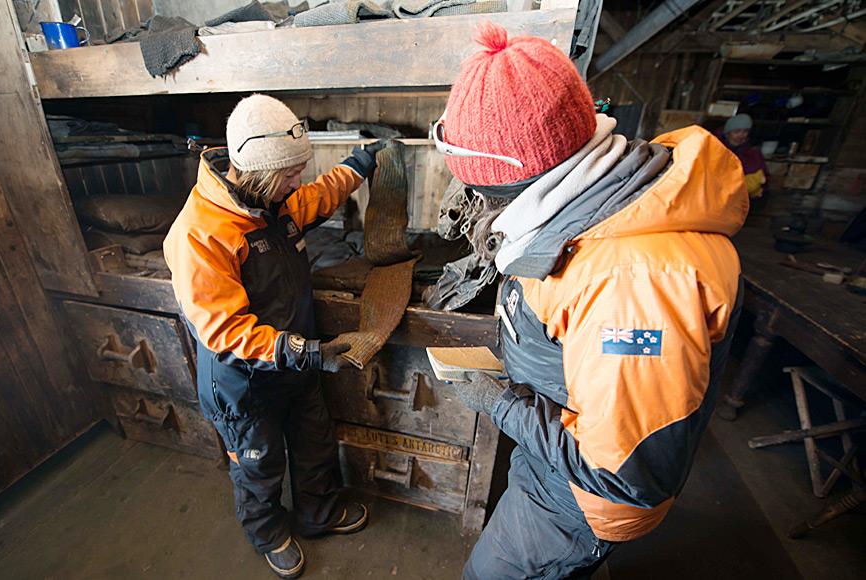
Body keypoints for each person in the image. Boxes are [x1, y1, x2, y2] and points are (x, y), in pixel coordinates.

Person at [433, 23, 749, 578]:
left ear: (520, 183)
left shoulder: (638, 284)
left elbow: (624, 472)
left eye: (483, 191)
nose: (478, 203)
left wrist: (501, 402)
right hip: (552, 461)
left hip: (580, 501)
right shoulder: (593, 207)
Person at [163, 94, 381, 579]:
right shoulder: (202, 233)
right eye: (290, 173)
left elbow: (320, 194)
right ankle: (269, 533)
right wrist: (305, 351)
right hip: (245, 382)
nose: (297, 181)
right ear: (260, 171)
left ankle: (317, 513)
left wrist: (363, 160)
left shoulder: (273, 202)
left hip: (296, 365)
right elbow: (223, 329)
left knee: (314, 444)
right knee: (259, 465)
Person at [715, 113, 768, 198]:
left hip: (744, 199)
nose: (741, 135)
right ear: (727, 133)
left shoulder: (753, 153)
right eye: (736, 131)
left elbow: (764, 176)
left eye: (745, 131)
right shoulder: (716, 150)